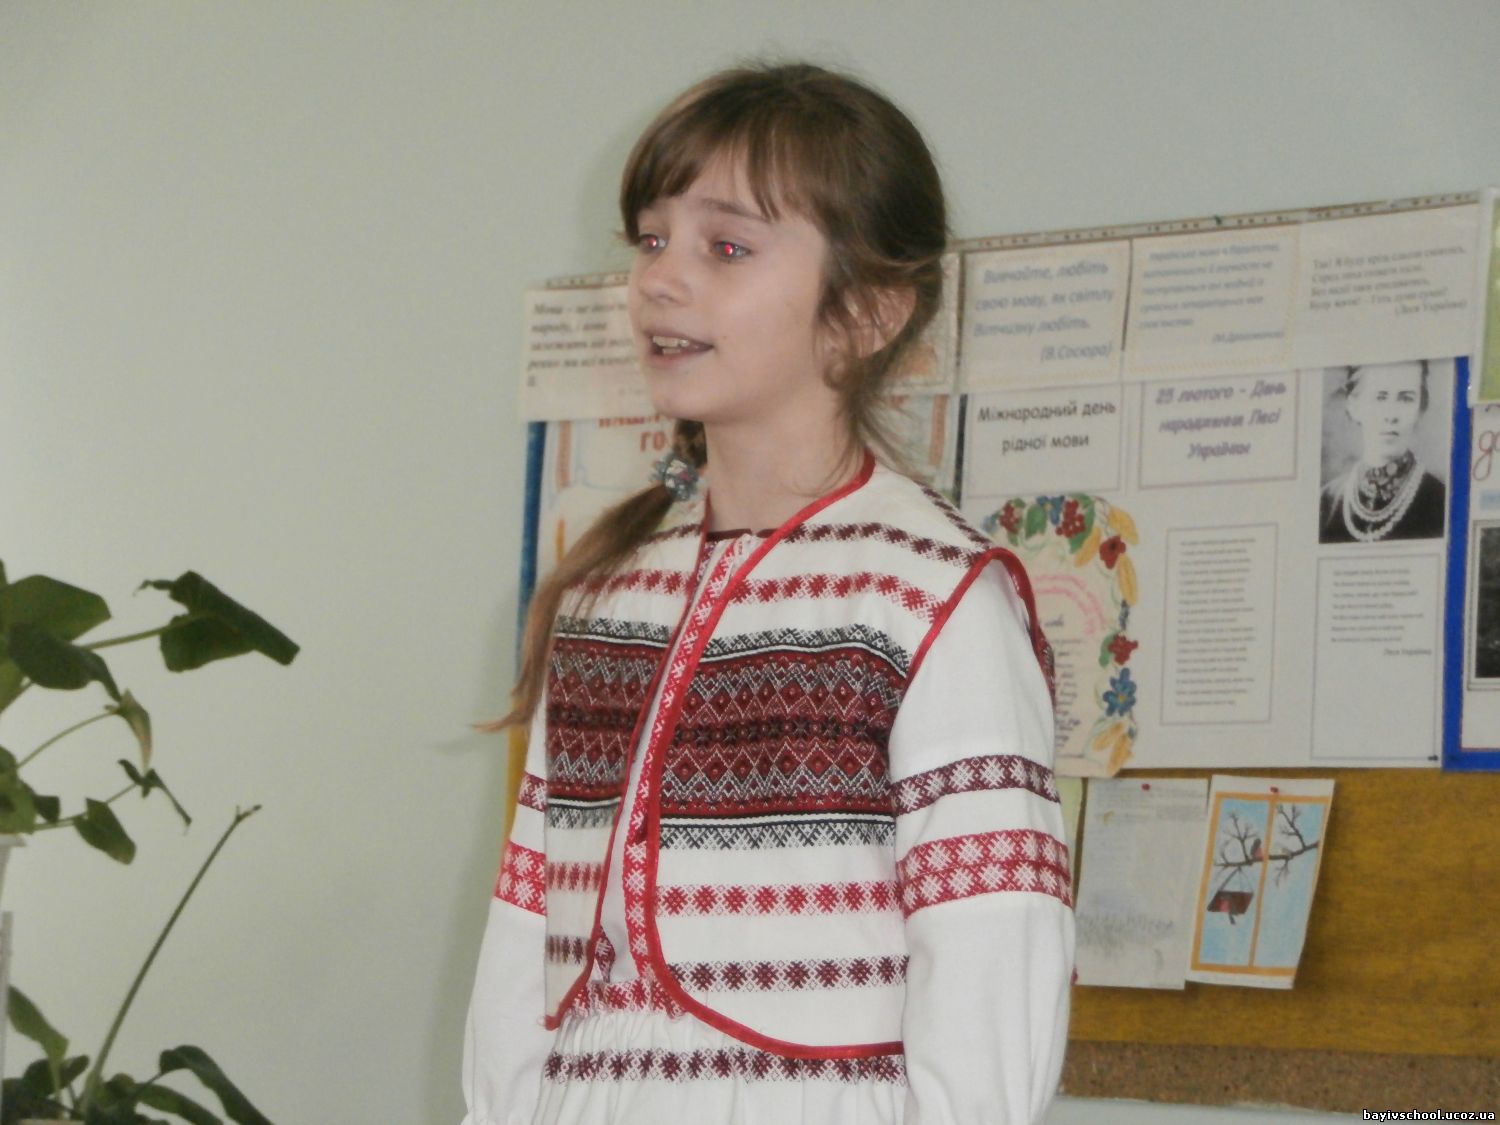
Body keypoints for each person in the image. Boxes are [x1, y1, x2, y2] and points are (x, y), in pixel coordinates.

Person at [463, 63, 1074, 1125]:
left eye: (727, 248)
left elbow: (993, 959)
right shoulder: (607, 596)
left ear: (866, 311)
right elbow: (529, 945)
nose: (659, 280)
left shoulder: (930, 596)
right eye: (651, 240)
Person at [1318, 360, 1446, 544]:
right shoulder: (1326, 502)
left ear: (1420, 408)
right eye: (1380, 397)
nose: (1391, 415)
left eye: (1406, 398)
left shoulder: (1440, 502)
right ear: (1354, 406)